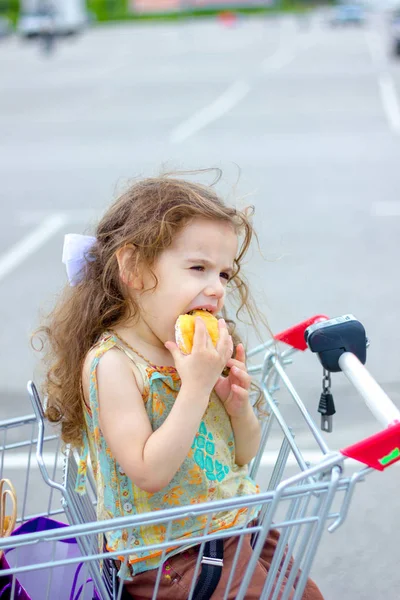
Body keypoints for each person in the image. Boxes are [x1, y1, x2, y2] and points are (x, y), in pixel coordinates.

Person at [36, 173, 324, 599]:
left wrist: (237, 407)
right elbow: (149, 472)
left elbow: (241, 455)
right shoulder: (113, 364)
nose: (216, 288)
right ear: (133, 268)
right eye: (197, 268)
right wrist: (194, 389)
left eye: (224, 274)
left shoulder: (193, 351)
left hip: (235, 523)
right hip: (175, 556)